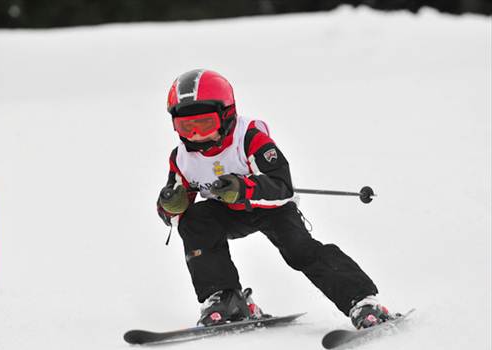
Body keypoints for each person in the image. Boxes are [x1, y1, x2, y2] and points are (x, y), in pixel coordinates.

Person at [156, 69, 390, 330]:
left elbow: (282, 186)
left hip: (272, 208)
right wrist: (170, 206)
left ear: (227, 115)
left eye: (205, 124)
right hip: (227, 212)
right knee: (195, 220)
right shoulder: (182, 158)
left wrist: (243, 188)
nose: (196, 134)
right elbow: (173, 204)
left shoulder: (250, 138)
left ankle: (361, 301)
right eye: (186, 127)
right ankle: (225, 298)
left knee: (299, 251)